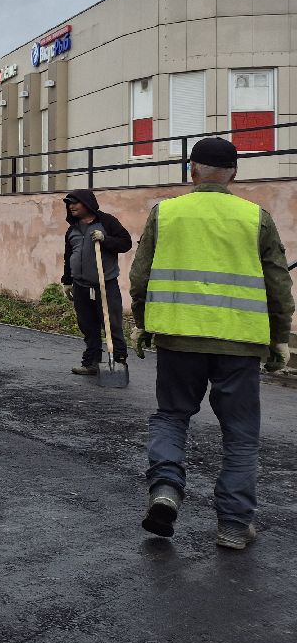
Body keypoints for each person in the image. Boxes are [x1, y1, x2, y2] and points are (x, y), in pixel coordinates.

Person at [130, 136, 293, 550]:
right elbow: (278, 282)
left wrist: (143, 323)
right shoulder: (255, 217)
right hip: (239, 343)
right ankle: (234, 525)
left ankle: (166, 489)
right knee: (239, 434)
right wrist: (279, 339)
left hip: (178, 338)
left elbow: (140, 275)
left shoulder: (166, 213)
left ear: (192, 170)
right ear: (235, 174)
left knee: (172, 416)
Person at [60, 189, 133, 375]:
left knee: (111, 324)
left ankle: (118, 363)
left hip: (105, 284)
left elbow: (126, 243)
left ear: (87, 204)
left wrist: (105, 239)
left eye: (75, 202)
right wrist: (67, 281)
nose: (71, 206)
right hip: (81, 285)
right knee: (87, 325)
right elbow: (68, 256)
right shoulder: (73, 229)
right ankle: (91, 362)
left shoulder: (107, 222)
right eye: (69, 203)